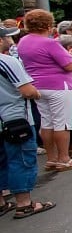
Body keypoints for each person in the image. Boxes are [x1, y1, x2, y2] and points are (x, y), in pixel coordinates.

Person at [16, 9, 72, 171]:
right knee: (62, 123)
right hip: (58, 85)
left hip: (37, 85)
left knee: (47, 123)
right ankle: (64, 158)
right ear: (47, 24)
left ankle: (51, 158)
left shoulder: (23, 41)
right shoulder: (50, 43)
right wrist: (71, 57)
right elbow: (70, 66)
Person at [0, 26, 55, 219]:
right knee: (21, 160)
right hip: (14, 118)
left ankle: (1, 202)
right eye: (7, 37)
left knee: (2, 160)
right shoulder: (6, 61)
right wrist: (37, 93)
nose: (10, 40)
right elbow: (27, 90)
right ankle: (24, 203)